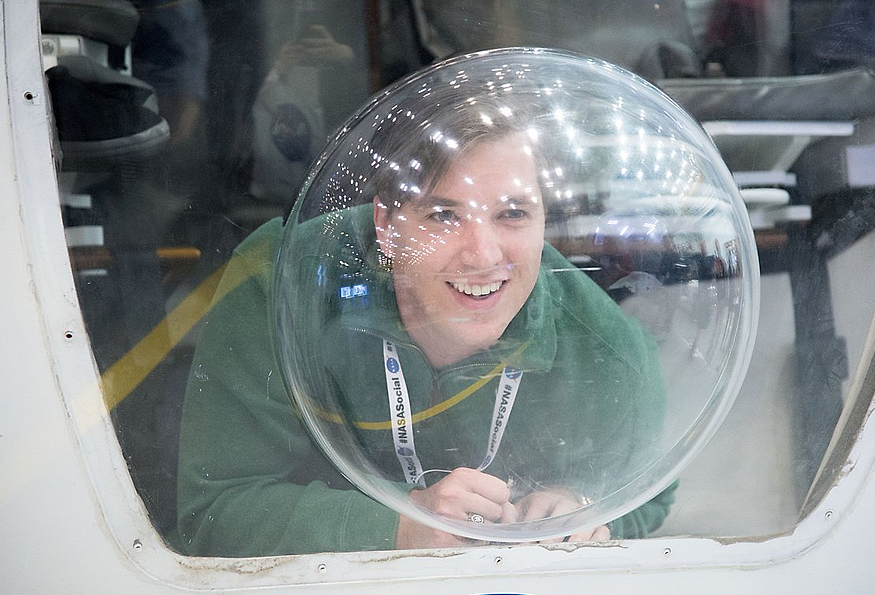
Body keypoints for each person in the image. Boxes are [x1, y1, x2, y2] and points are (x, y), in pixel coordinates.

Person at [177, 96, 676, 556]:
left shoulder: (607, 347)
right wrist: (396, 526)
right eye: (443, 215)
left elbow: (648, 493)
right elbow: (214, 514)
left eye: (513, 214)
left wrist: (582, 507)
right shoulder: (280, 287)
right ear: (387, 228)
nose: (483, 255)